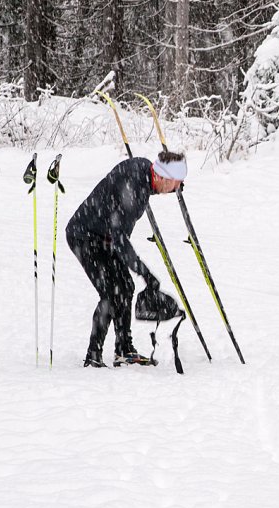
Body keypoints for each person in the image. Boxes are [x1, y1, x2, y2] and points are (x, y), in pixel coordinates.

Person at [65, 151, 187, 367]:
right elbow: (120, 237)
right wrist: (143, 271)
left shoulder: (144, 172)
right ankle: (93, 356)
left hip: (106, 235)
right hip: (84, 235)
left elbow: (118, 231)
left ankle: (124, 349)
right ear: (162, 177)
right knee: (111, 293)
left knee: (126, 288)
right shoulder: (134, 187)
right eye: (175, 184)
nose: (176, 189)